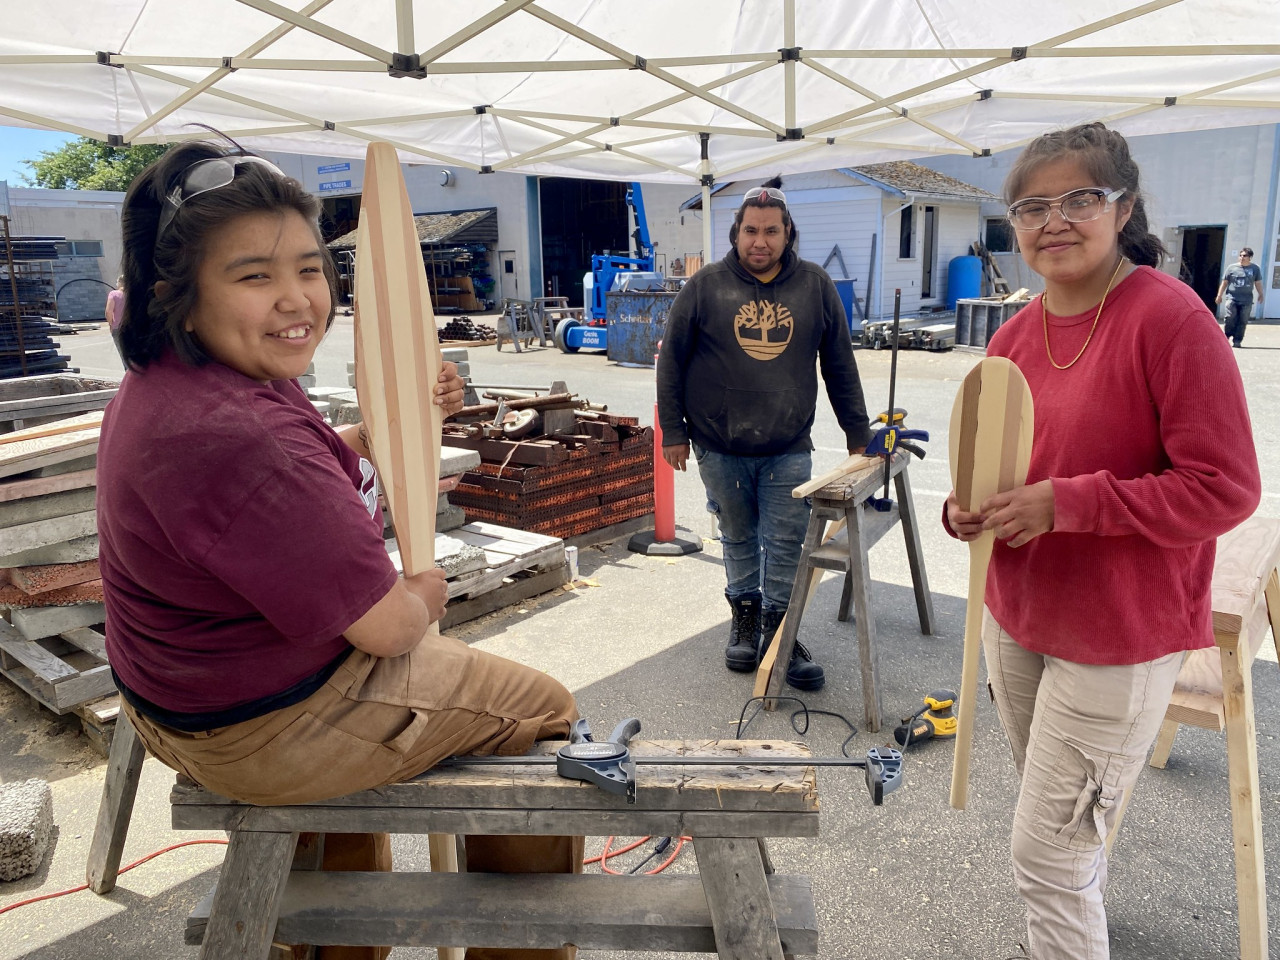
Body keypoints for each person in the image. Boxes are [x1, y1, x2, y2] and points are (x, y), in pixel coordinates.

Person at [99, 139, 581, 960]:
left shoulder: (186, 375)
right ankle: (515, 947)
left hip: (181, 698)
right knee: (543, 711)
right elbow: (391, 629)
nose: (296, 301)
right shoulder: (238, 434)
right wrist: (425, 590)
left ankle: (336, 940)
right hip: (267, 726)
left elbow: (303, 478)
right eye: (254, 276)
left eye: (309, 269)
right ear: (178, 295)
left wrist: (399, 418)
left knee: (425, 696)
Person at [944, 123, 1261, 960]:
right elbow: (996, 469)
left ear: (1122, 208)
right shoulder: (1014, 335)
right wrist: (968, 511)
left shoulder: (1171, 319)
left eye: (1080, 199)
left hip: (1117, 634)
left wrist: (1068, 505)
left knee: (1046, 854)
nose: (1055, 220)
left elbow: (1225, 489)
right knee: (1065, 836)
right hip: (1018, 617)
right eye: (1032, 206)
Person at [656, 177, 871, 692]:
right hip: (718, 444)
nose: (761, 241)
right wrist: (672, 430)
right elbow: (672, 363)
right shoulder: (704, 287)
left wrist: (857, 433)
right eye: (751, 231)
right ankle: (745, 621)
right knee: (737, 538)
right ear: (736, 233)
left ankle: (781, 628)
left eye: (771, 231)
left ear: (787, 232)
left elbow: (839, 363)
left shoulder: (816, 286)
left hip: (787, 445)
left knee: (786, 540)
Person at [1215, 246, 1264, 347]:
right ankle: (1227, 335)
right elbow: (1224, 283)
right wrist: (1219, 295)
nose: (1242, 257)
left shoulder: (1255, 269)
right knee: (1230, 317)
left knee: (1243, 320)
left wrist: (1261, 294)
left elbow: (1258, 282)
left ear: (1250, 257)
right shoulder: (1231, 268)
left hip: (1246, 300)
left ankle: (1237, 340)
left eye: (1245, 256)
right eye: (1240, 255)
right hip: (1232, 297)